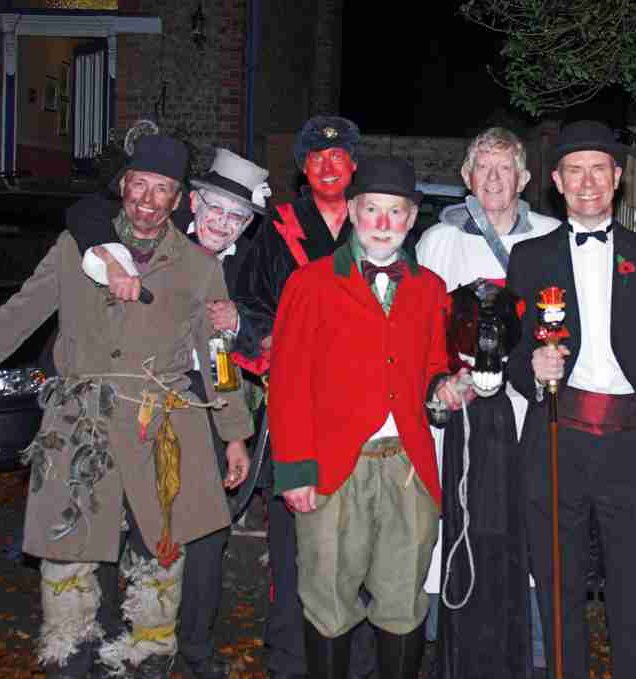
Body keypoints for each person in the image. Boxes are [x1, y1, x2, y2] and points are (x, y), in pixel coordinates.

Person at [0, 134, 254, 679]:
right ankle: (71, 654)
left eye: (163, 189)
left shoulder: (197, 266)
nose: (149, 199)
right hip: (78, 423)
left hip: (164, 426)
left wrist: (234, 431)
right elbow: (22, 311)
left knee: (161, 551)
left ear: (178, 199)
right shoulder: (76, 250)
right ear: (123, 188)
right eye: (140, 185)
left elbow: (216, 355)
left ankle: (148, 656)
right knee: (68, 547)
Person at [64, 145, 271, 679]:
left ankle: (194, 647)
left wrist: (237, 323)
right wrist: (110, 257)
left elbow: (260, 336)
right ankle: (118, 639)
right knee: (122, 524)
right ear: (193, 204)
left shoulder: (250, 264)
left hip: (209, 408)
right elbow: (84, 211)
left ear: (248, 225)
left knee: (204, 536)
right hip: (135, 407)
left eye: (237, 217)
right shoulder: (147, 239)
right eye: (215, 209)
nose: (223, 223)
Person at [268, 155, 469, 679]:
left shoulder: (429, 288)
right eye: (372, 210)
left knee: (403, 600)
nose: (383, 223)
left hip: (407, 466)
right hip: (335, 466)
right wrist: (294, 470)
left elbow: (431, 365)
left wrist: (445, 388)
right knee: (328, 598)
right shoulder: (310, 284)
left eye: (395, 212)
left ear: (411, 218)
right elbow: (288, 381)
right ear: (353, 211)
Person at [505, 120, 636, 679]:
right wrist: (529, 368)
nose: (587, 182)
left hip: (633, 442)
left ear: (617, 178)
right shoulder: (529, 257)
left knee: (634, 587)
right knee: (558, 585)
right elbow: (511, 355)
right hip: (556, 439)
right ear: (557, 182)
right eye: (574, 171)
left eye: (598, 170)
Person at [233, 115, 378, 679]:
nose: (327, 165)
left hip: (366, 412)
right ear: (302, 167)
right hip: (295, 406)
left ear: (354, 165)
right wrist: (269, 337)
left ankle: (360, 663)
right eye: (316, 158)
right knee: (293, 546)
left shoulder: (379, 224)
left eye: (338, 156)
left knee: (364, 538)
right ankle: (291, 662)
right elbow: (244, 304)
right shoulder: (277, 229)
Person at [415, 126, 559, 679]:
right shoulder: (438, 242)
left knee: (524, 524)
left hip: (525, 407)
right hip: (460, 410)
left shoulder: (548, 236)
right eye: (484, 168)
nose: (495, 179)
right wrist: (445, 382)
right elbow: (424, 329)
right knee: (456, 521)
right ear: (467, 177)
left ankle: (531, 654)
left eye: (506, 169)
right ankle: (446, 647)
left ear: (524, 178)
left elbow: (562, 324)